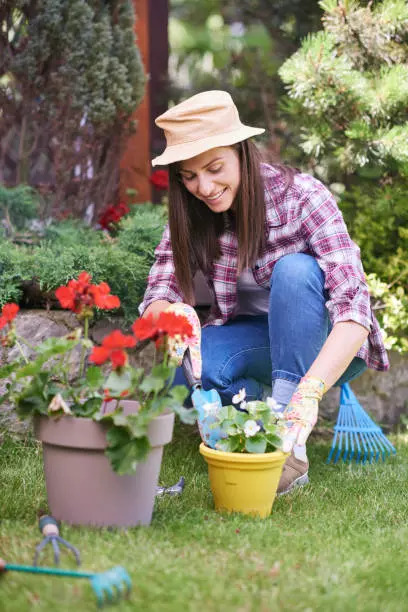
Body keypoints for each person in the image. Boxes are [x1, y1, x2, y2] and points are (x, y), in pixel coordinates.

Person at [138, 90, 389, 494]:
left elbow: (354, 311)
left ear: (243, 152)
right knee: (194, 375)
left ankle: (290, 443)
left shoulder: (303, 197)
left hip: (324, 342)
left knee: (294, 270)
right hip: (254, 337)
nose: (203, 186)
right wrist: (172, 316)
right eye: (188, 176)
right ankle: (260, 422)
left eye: (214, 167)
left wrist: (308, 395)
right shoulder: (189, 214)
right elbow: (157, 296)